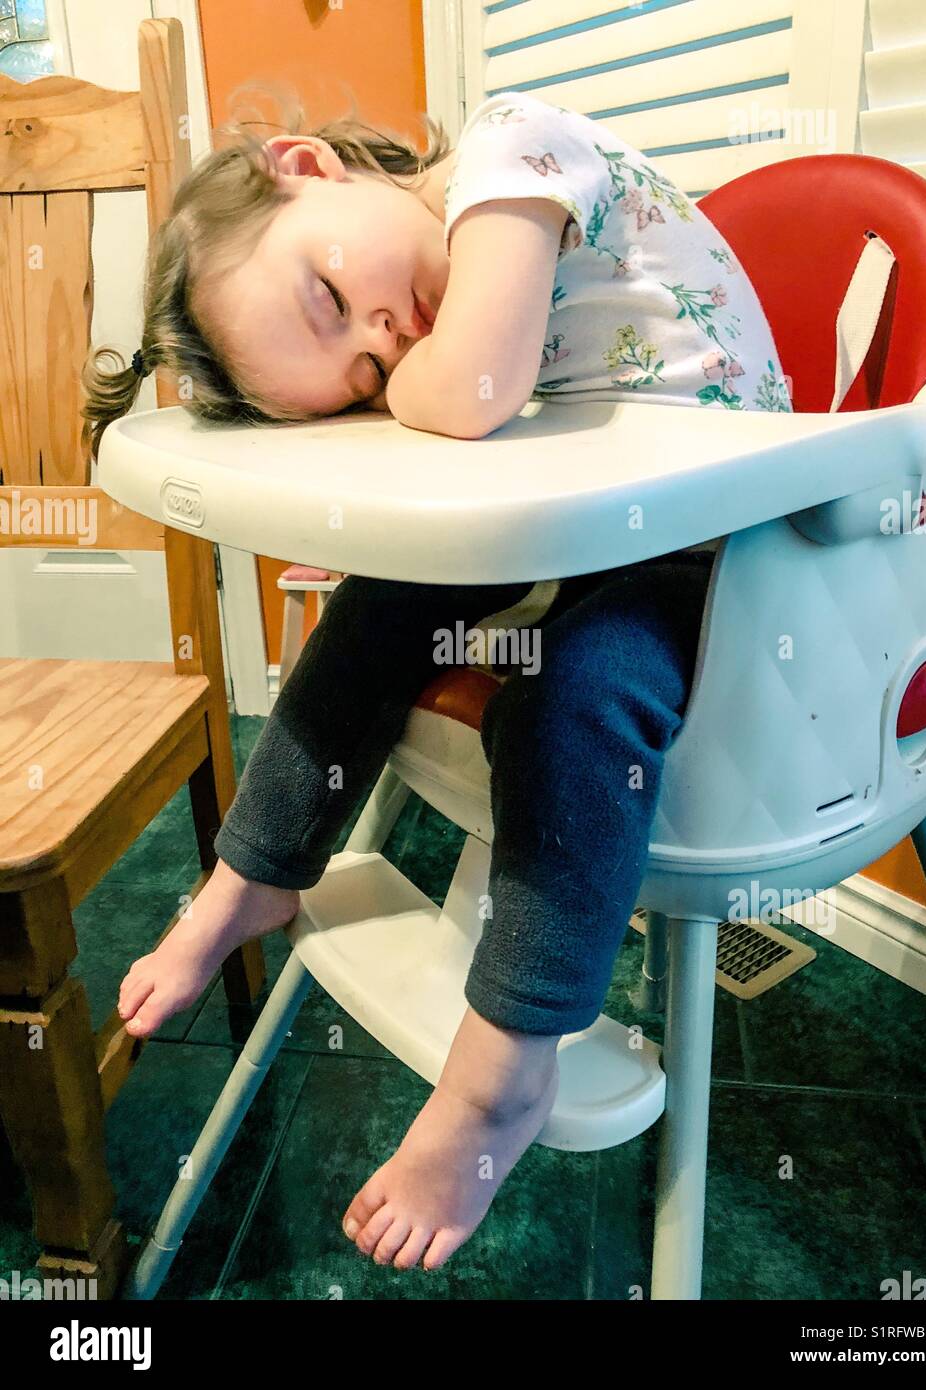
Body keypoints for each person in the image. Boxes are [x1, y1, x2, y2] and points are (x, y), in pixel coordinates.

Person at [81, 87, 791, 1273]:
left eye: (326, 292)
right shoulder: (431, 279)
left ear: (307, 164)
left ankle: (500, 1077)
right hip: (586, 534)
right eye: (357, 374)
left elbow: (464, 396)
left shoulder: (511, 155)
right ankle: (251, 874)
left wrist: (408, 395)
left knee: (571, 696)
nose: (383, 341)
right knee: (376, 608)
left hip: (722, 555)